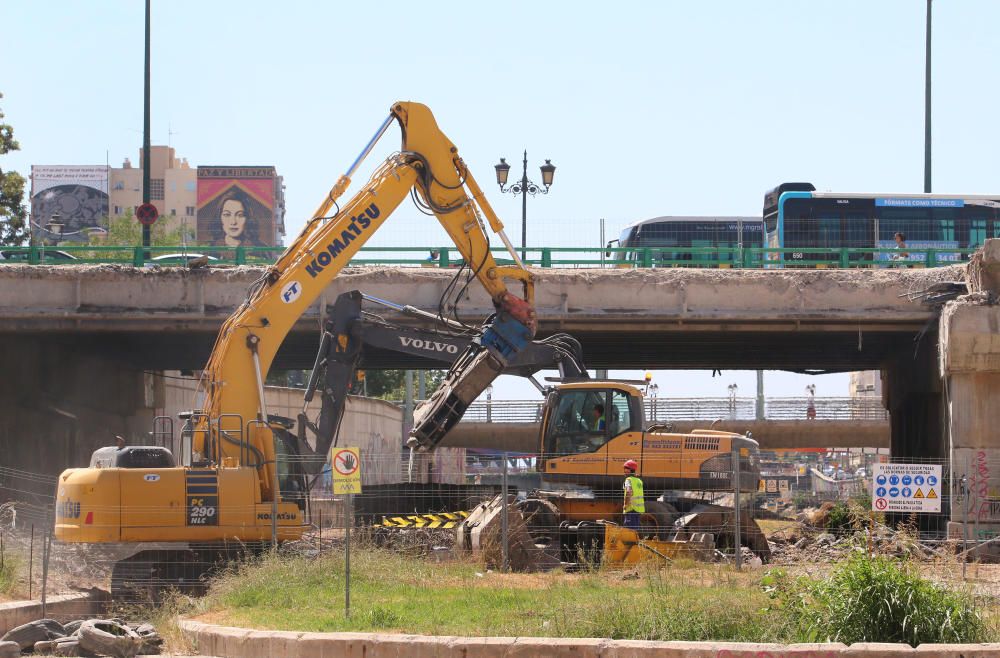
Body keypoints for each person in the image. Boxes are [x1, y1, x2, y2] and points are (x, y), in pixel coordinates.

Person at [622, 459, 644, 531]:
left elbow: (629, 492)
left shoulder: (628, 480)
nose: (624, 470)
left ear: (630, 470)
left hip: (631, 508)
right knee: (634, 530)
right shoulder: (639, 480)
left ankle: (631, 542)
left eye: (626, 468)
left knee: (629, 531)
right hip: (638, 510)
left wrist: (625, 505)